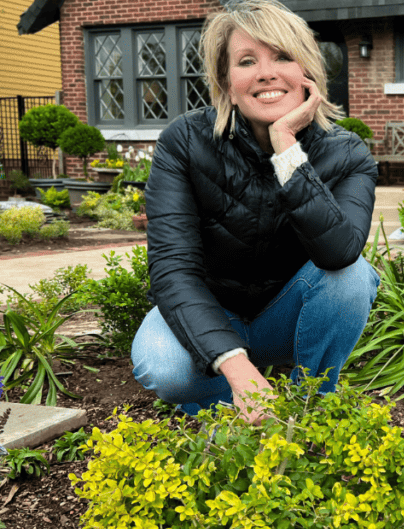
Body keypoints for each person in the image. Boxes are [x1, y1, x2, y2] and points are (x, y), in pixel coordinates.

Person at [131, 0, 379, 423]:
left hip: (288, 316)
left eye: (282, 56)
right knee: (161, 364)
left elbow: (339, 255)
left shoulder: (348, 153)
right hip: (214, 308)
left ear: (308, 73)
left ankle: (311, 407)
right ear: (227, 82)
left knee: (354, 278)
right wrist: (235, 364)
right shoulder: (185, 143)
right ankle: (237, 410)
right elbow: (173, 270)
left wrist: (286, 146)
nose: (266, 72)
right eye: (247, 61)